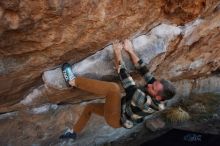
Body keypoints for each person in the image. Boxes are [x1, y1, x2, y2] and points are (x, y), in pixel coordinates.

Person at [59, 39, 176, 140]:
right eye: (154, 83)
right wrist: (130, 50)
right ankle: (73, 132)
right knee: (90, 108)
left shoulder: (146, 103)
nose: (150, 84)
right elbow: (144, 71)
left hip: (116, 119)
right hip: (121, 108)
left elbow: (126, 79)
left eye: (153, 87)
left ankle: (73, 81)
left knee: (113, 89)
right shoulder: (159, 93)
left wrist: (117, 52)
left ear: (158, 97)